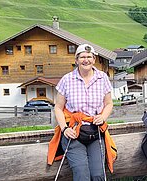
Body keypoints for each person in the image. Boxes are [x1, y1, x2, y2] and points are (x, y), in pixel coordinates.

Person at [48, 44, 117, 180]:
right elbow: (58, 107)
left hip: (95, 132)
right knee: (82, 174)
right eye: (82, 57)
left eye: (89, 57)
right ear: (76, 60)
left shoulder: (102, 78)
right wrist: (64, 129)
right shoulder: (67, 79)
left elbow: (108, 103)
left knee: (98, 174)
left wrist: (102, 117)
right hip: (73, 133)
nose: (86, 60)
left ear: (94, 59)